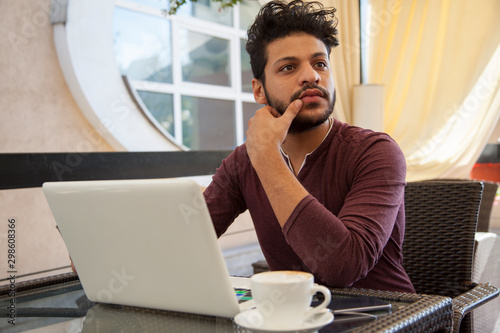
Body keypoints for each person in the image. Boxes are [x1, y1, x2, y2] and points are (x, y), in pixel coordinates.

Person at [203, 0, 415, 293]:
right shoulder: (243, 162)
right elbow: (188, 240)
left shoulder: (375, 151)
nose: (312, 76)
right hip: (294, 317)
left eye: (320, 64)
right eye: (289, 67)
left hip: (386, 317)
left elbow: (342, 266)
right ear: (259, 89)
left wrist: (267, 159)